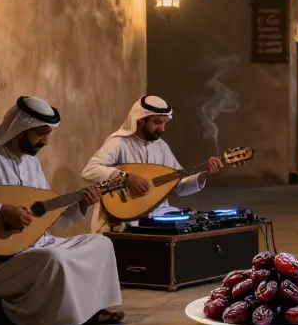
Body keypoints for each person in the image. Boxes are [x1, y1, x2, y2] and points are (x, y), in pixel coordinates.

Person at [0, 96, 124, 325]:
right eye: (40, 133)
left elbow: (44, 211)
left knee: (101, 244)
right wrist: (1, 211)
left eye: (48, 134)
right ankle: (49, 321)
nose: (46, 141)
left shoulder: (31, 163)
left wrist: (80, 204)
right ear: (21, 127)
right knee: (53, 258)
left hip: (33, 246)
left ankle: (91, 310)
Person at [82, 95, 224, 228]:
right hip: (127, 218)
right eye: (157, 122)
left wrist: (204, 173)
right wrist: (126, 177)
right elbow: (90, 170)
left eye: (164, 123)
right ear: (140, 121)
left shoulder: (161, 146)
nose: (162, 128)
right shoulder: (119, 143)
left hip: (159, 214)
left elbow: (178, 184)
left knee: (197, 224)